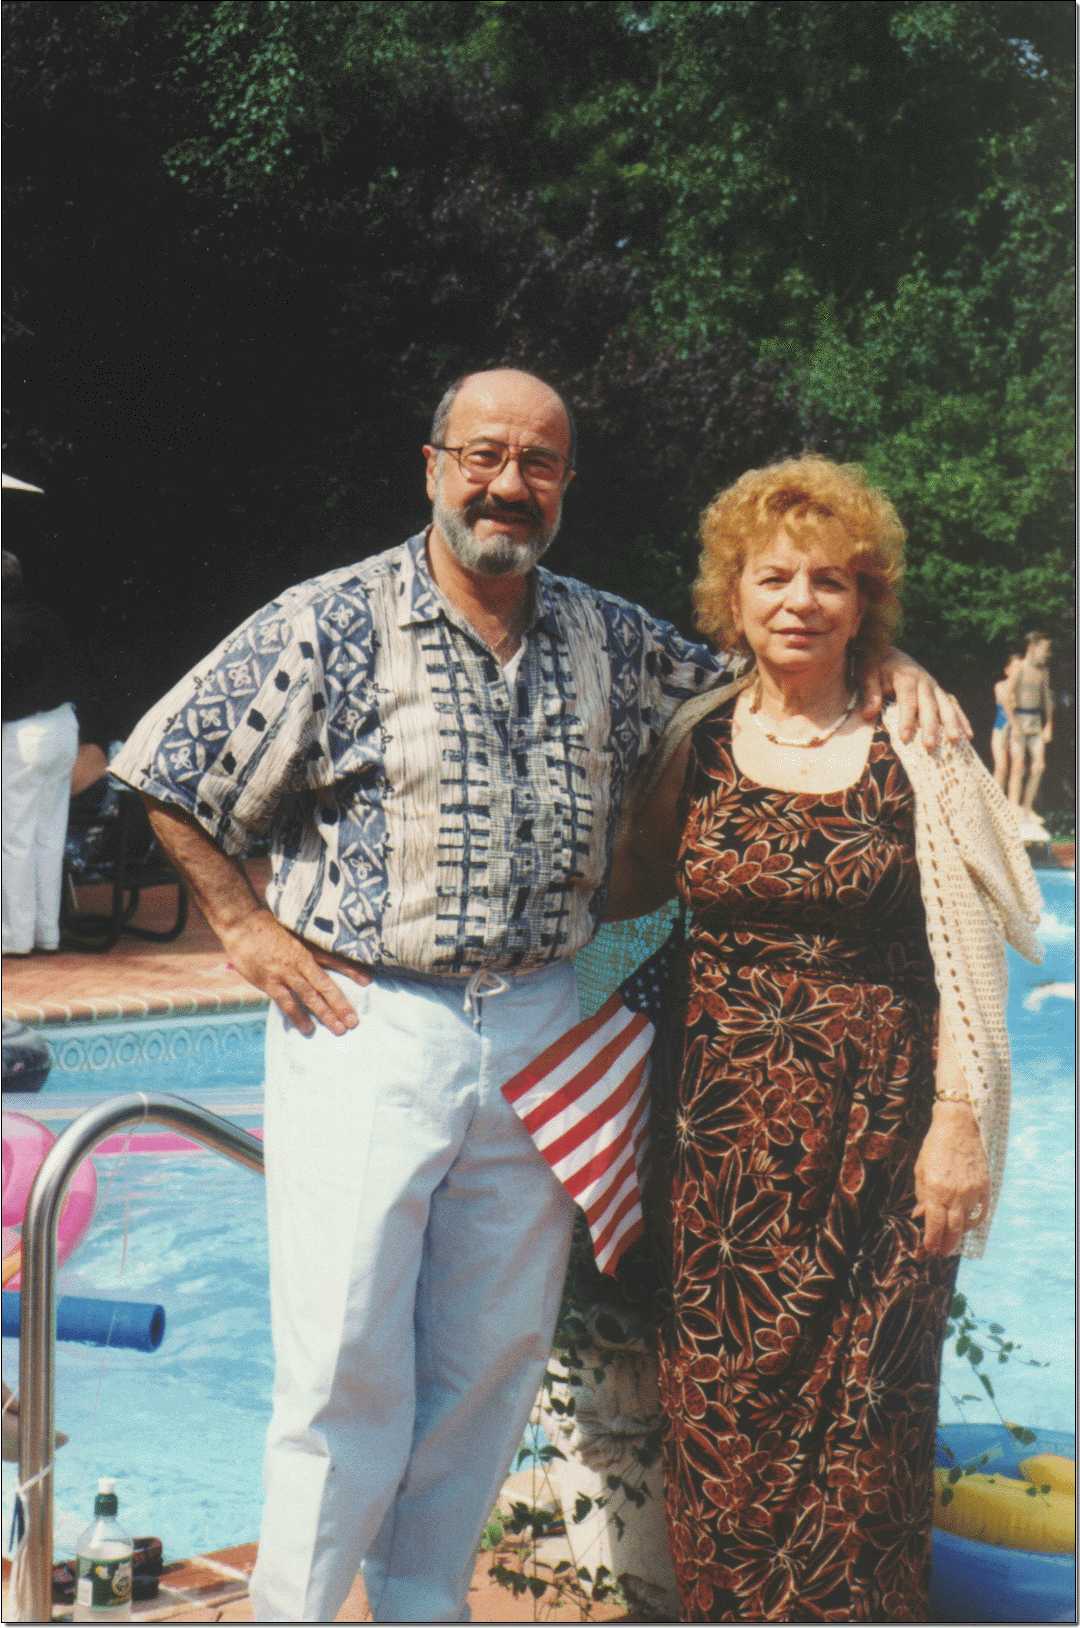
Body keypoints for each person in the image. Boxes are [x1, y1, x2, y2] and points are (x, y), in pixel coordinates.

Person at [111, 372, 964, 1623]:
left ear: (565, 484)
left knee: (491, 1358)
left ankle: (424, 1604)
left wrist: (895, 658)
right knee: (342, 1357)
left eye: (539, 463)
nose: (508, 484)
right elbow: (164, 762)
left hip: (540, 1022)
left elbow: (782, 656)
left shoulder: (608, 636)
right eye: (485, 456)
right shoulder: (329, 619)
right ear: (434, 466)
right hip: (370, 1019)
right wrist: (243, 927)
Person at [606, 455, 1041, 1623]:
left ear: (865, 603)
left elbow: (970, 957)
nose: (799, 601)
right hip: (715, 1152)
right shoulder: (692, 742)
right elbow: (629, 910)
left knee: (870, 1435)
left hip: (883, 1141)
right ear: (732, 596)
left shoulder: (922, 746)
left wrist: (959, 1122)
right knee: (721, 1426)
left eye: (829, 581)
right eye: (773, 577)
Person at [1, 551, 80, 956]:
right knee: (49, 834)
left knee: (14, 837)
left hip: (24, 732)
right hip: (63, 726)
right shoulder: (47, 617)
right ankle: (46, 932)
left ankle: (14, 936)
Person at [1005, 630, 1053, 838]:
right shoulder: (1020, 668)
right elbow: (1006, 697)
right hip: (1019, 718)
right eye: (1044, 649)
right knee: (1018, 766)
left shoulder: (1043, 672)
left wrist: (1049, 724)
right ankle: (1012, 808)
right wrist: (1014, 724)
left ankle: (1026, 808)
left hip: (1035, 721)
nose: (1047, 653)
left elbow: (1047, 699)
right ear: (1033, 647)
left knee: (1039, 765)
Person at [989, 651, 1022, 791]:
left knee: (1018, 768)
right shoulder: (1000, 686)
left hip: (1016, 734)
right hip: (1000, 731)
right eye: (1016, 668)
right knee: (1001, 767)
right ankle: (996, 799)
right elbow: (1005, 702)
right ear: (1007, 670)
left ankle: (1013, 801)